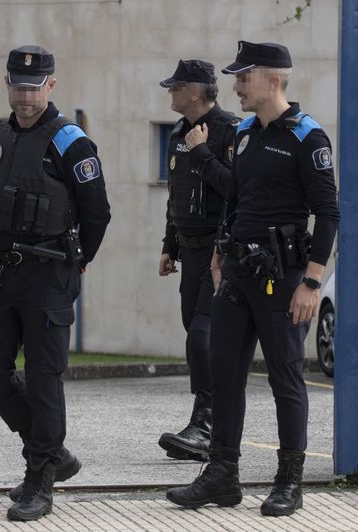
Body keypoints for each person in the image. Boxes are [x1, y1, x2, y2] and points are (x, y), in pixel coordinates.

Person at [165, 41, 338, 517]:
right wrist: (221, 251)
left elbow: (327, 215)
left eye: (244, 77)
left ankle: (289, 481)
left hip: (283, 277)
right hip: (237, 274)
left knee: (285, 375)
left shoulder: (307, 138)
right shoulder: (244, 134)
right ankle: (223, 475)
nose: (236, 86)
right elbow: (236, 199)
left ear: (274, 80)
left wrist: (312, 281)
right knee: (224, 373)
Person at [0, 45, 111, 522]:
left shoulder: (70, 141)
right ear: (6, 83)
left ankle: (40, 480)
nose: (25, 95)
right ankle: (52, 452)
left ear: (51, 86)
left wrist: (79, 264)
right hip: (4, 272)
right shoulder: (0, 134)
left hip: (50, 273)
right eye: (17, 85)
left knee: (44, 378)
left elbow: (98, 213)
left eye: (34, 86)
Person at [155, 60, 239, 462]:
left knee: (202, 335)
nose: (170, 92)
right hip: (188, 251)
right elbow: (176, 195)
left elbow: (235, 191)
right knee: (195, 335)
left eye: (176, 87)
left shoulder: (231, 131)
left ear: (197, 90)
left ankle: (206, 424)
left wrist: (203, 151)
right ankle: (206, 421)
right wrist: (169, 245)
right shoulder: (177, 133)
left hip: (218, 252)